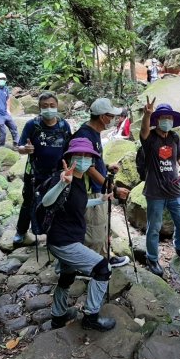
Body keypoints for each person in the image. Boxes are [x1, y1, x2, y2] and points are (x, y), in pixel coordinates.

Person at [45, 138, 116, 331]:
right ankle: (91, 317)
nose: (84, 159)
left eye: (87, 156)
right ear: (70, 157)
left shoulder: (79, 179)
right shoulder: (64, 177)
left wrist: (101, 200)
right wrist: (61, 184)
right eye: (79, 155)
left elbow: (78, 204)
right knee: (103, 268)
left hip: (68, 239)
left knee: (67, 277)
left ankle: (57, 317)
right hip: (63, 241)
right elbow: (46, 202)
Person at [72, 98, 130, 268]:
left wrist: (105, 166)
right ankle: (91, 266)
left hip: (98, 188)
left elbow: (93, 161)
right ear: (103, 117)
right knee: (94, 230)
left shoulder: (94, 132)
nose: (114, 119)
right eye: (112, 116)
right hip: (90, 190)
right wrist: (114, 188)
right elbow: (88, 167)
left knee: (103, 226)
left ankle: (104, 257)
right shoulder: (85, 134)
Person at [140, 97, 180, 277]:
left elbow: (179, 156)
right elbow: (143, 131)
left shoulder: (174, 137)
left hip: (174, 187)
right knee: (154, 226)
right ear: (157, 120)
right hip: (155, 190)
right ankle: (152, 258)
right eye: (163, 117)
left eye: (169, 118)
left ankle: (179, 246)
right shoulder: (150, 137)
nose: (167, 121)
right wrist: (147, 114)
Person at [13, 92, 71, 245]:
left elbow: (69, 148)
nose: (49, 109)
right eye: (45, 106)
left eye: (52, 106)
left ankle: (52, 232)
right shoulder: (33, 125)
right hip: (34, 172)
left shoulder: (63, 125)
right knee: (29, 201)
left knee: (55, 202)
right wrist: (25, 149)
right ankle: (21, 231)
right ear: (39, 108)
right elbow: (19, 147)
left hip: (56, 173)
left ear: (57, 106)